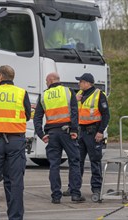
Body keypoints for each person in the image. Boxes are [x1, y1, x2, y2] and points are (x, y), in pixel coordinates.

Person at [0, 65, 31, 220]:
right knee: (15, 181)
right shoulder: (21, 93)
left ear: (1, 76)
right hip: (16, 141)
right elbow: (28, 115)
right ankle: (15, 217)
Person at [33, 72, 85, 204]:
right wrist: (74, 130)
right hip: (67, 132)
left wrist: (41, 134)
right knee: (74, 161)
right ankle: (75, 194)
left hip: (52, 134)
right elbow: (74, 112)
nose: (46, 83)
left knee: (54, 165)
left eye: (46, 81)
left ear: (50, 80)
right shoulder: (68, 91)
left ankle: (56, 196)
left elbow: (37, 117)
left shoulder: (43, 95)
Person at [63, 73, 110, 197]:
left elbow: (106, 115)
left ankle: (96, 188)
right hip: (80, 132)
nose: (79, 84)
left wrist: (100, 131)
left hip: (93, 132)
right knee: (77, 161)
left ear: (88, 83)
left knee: (95, 161)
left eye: (81, 82)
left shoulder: (99, 95)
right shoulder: (78, 94)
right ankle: (73, 188)